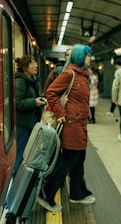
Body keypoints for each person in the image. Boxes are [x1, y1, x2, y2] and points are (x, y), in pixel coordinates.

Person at [37, 44, 96, 212]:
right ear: (79, 56)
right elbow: (51, 92)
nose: (90, 58)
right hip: (71, 125)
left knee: (79, 160)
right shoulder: (69, 74)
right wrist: (61, 112)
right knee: (68, 161)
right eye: (87, 55)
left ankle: (78, 193)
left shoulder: (82, 76)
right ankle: (46, 194)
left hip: (80, 125)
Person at [14, 55, 46, 172]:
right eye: (33, 64)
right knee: (20, 153)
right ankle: (15, 183)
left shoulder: (31, 81)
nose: (36, 66)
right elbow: (17, 103)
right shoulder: (20, 81)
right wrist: (34, 102)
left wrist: (40, 99)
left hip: (29, 124)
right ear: (25, 67)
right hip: (23, 125)